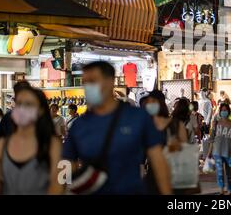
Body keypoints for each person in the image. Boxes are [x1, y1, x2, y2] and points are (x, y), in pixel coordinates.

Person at [63, 61, 172, 195]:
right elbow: (66, 164)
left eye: (93, 81)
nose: (88, 87)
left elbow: (158, 161)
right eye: (85, 82)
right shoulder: (80, 125)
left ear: (110, 82)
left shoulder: (137, 118)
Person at [0, 83, 63, 194]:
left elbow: (56, 187)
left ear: (41, 110)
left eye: (29, 104)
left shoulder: (52, 145)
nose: (22, 108)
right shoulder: (0, 146)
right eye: (19, 103)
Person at [141, 90, 186, 195]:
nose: (150, 105)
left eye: (153, 101)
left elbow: (185, 152)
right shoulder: (145, 126)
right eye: (148, 102)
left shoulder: (176, 125)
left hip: (174, 176)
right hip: (152, 176)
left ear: (160, 103)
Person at [207, 103, 231, 195]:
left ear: (229, 111)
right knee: (219, 173)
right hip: (217, 152)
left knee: (230, 174)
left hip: (230, 152)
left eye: (225, 110)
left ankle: (229, 191)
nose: (224, 112)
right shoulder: (216, 124)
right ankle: (221, 190)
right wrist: (209, 153)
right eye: (222, 110)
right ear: (220, 112)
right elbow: (212, 139)